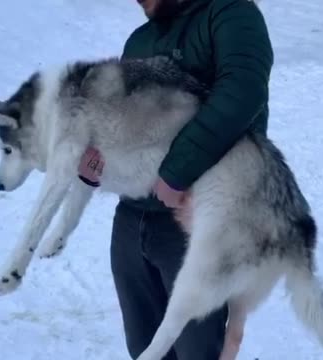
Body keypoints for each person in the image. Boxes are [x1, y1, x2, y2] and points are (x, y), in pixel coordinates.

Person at [79, 0, 274, 358]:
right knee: (144, 347)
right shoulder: (139, 40)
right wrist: (96, 153)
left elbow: (243, 91)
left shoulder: (231, 13)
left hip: (197, 221)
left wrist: (177, 173)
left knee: (199, 349)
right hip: (131, 220)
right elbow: (124, 116)